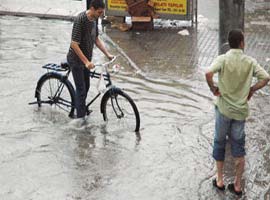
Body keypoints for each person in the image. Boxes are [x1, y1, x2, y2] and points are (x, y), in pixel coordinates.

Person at [205, 29, 269, 196]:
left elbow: (208, 73)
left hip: (223, 110)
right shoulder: (250, 62)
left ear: (229, 43)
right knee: (238, 147)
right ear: (242, 43)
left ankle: (219, 180)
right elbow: (266, 77)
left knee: (219, 142)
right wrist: (252, 89)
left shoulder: (223, 59)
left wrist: (214, 89)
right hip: (240, 112)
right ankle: (237, 185)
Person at [67, 0, 114, 122]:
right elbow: (74, 44)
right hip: (76, 59)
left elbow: (96, 39)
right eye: (99, 12)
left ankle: (80, 107)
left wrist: (108, 54)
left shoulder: (95, 19)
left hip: (86, 60)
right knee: (81, 89)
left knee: (86, 86)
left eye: (102, 13)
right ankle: (80, 120)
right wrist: (86, 62)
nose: (101, 15)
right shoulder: (80, 20)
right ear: (92, 9)